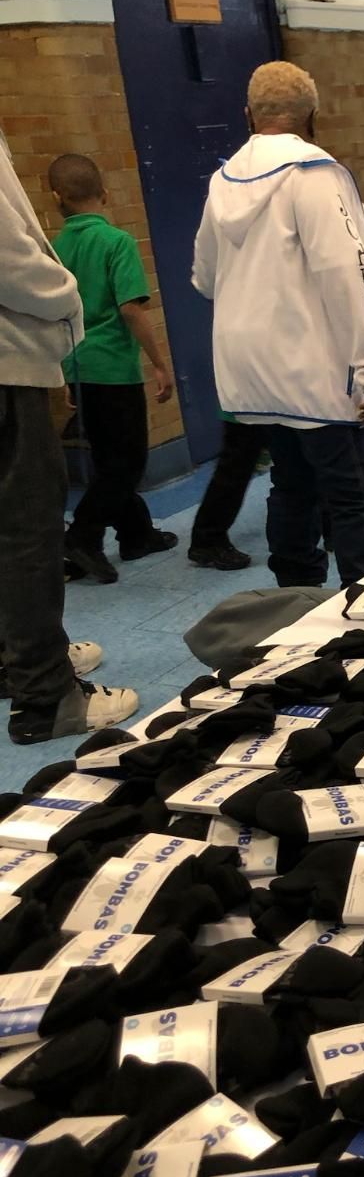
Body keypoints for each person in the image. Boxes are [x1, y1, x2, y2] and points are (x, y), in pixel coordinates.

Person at [191, 60, 364, 588]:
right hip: (310, 365)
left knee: (291, 483)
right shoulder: (315, 176)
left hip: (249, 369)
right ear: (313, 116)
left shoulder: (222, 181)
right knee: (357, 494)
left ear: (248, 114)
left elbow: (204, 278)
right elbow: (350, 275)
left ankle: (295, 600)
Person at [0, 134, 137, 743]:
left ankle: (19, 656)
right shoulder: (113, 242)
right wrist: (66, 298)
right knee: (27, 527)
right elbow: (10, 258)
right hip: (7, 367)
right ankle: (45, 693)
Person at [49, 154, 177, 584]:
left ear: (56, 199)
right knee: (127, 463)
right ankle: (81, 537)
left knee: (108, 459)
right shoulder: (117, 242)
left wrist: (63, 372)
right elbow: (131, 309)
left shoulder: (54, 250)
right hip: (113, 370)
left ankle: (136, 534)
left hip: (76, 366)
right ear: (104, 194)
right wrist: (159, 364)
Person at [187, 416, 269, 570]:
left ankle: (208, 536)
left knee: (239, 460)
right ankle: (208, 539)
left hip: (257, 409)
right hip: (246, 409)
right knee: (237, 461)